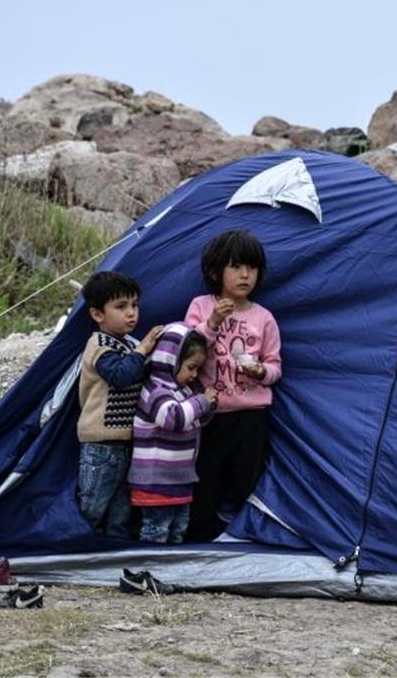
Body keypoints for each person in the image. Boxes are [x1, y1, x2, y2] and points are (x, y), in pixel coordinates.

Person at [184, 230, 282, 541]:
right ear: (215, 272)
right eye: (236, 266)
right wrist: (211, 323)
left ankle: (247, 536)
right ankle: (199, 534)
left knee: (247, 479)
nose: (245, 275)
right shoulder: (201, 306)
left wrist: (260, 371)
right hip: (210, 414)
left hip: (251, 415)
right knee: (205, 477)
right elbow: (185, 350)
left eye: (251, 268)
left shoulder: (263, 317)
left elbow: (275, 366)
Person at [76, 271, 163, 538]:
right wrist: (144, 348)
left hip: (126, 443)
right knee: (92, 506)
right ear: (97, 315)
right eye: (121, 306)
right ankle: (78, 547)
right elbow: (121, 376)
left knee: (121, 510)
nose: (131, 313)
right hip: (101, 446)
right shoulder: (99, 345)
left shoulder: (127, 344)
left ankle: (111, 554)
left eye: (134, 305)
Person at [127, 324, 218, 543]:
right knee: (157, 529)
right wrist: (201, 402)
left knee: (178, 528)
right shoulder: (155, 391)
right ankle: (148, 570)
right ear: (171, 361)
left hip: (179, 480)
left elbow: (193, 419)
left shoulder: (184, 391)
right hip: (155, 481)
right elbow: (174, 418)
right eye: (191, 367)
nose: (195, 374)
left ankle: (167, 571)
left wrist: (208, 407)